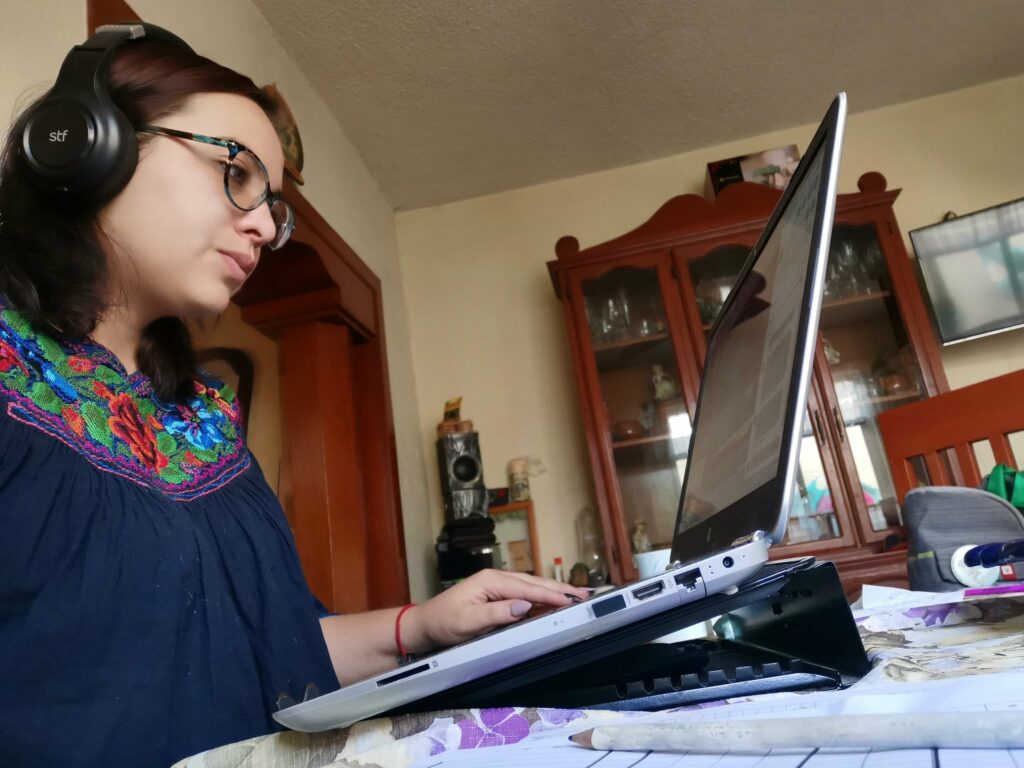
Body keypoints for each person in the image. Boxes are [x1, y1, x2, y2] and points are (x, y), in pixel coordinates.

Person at [0, 25, 588, 767]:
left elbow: (273, 648)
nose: (261, 224)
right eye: (238, 173)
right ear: (90, 146)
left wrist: (426, 625)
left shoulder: (204, 420)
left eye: (273, 206)